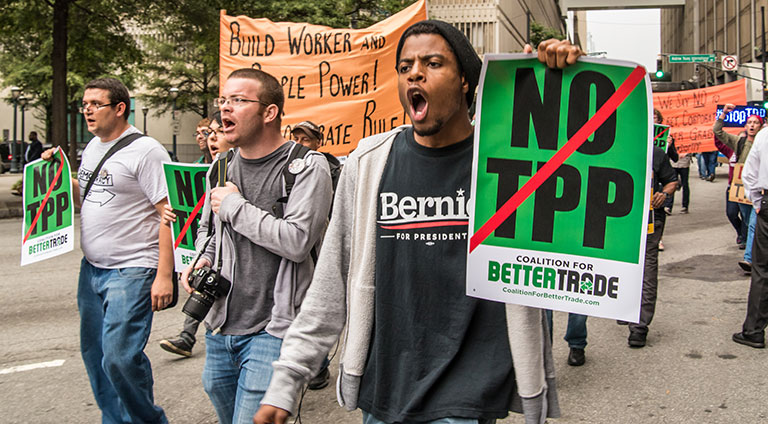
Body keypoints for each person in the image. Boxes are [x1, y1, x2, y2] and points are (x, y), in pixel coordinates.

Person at [254, 21, 583, 424]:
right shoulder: (368, 162)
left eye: (433, 62)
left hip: (468, 394)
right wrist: (288, 379)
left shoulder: (509, 160)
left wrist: (564, 81)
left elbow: (578, 202)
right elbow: (331, 279)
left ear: (465, 81)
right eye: (405, 65)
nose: (415, 72)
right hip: (385, 390)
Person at [180, 68, 332, 424]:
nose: (224, 110)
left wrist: (235, 207)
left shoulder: (307, 167)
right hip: (220, 326)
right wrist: (203, 259)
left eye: (238, 100)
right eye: (223, 100)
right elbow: (209, 230)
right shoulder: (220, 165)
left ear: (269, 113)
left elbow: (297, 241)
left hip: (274, 329)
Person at [42, 77, 173, 423]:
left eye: (94, 104)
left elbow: (168, 215)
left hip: (132, 270)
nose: (86, 110)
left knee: (119, 357)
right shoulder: (94, 147)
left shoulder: (147, 151)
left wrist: (163, 275)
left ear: (119, 108)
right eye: (83, 104)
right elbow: (91, 196)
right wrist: (57, 176)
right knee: (96, 356)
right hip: (92, 269)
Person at [625, 146, 678, 348]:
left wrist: (663, 194)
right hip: (619, 221)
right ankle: (623, 309)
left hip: (650, 219)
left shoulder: (655, 152)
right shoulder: (617, 148)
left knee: (648, 267)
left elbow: (672, 181)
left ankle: (639, 326)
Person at [714, 105, 764, 270]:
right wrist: (724, 114)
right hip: (742, 188)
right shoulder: (739, 141)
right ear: (745, 126)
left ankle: (749, 258)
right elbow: (718, 132)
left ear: (761, 126)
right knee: (748, 221)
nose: (751, 125)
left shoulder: (764, 142)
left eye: (755, 123)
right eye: (749, 122)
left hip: (760, 188)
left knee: (752, 223)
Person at [734, 125, 768, 348]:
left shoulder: (765, 135)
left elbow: (749, 174)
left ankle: (754, 330)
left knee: (762, 269)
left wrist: (758, 203)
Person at [291, 121, 341, 193]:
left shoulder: (333, 173)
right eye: (296, 139)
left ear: (318, 143)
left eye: (305, 139)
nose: (298, 143)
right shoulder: (285, 166)